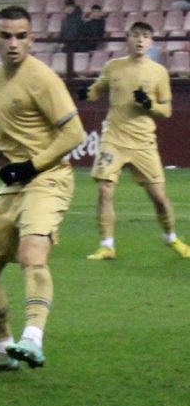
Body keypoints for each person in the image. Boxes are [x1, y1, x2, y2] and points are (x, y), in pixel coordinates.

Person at [0, 6, 85, 373]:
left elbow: (74, 133)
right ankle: (3, 349)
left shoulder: (43, 79)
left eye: (22, 36)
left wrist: (31, 165)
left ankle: (32, 337)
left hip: (48, 178)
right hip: (14, 183)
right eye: (7, 36)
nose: (14, 43)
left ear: (32, 39)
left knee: (33, 254)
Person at [79, 22, 188, 260]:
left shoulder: (158, 71)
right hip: (114, 139)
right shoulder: (113, 66)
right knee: (105, 190)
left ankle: (171, 237)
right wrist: (85, 94)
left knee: (159, 198)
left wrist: (149, 104)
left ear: (151, 42)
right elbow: (97, 89)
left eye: (145, 36)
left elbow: (167, 109)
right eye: (136, 35)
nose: (140, 40)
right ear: (127, 39)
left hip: (143, 142)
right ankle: (107, 245)